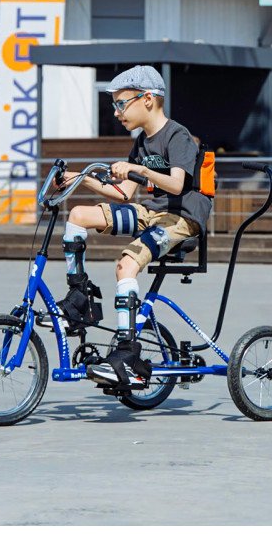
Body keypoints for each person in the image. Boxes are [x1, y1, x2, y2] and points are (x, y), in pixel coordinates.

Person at [55, 65, 213, 389]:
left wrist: (138, 170)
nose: (116, 112)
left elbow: (176, 184)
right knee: (79, 216)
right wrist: (79, 178)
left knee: (126, 264)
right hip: (150, 212)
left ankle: (127, 354)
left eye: (121, 103)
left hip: (180, 218)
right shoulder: (141, 142)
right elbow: (124, 193)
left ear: (148, 99)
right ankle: (80, 296)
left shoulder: (177, 136)